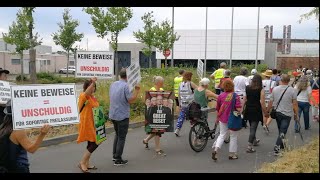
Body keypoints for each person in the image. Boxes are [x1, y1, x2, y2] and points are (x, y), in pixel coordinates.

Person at [0, 100, 51, 173]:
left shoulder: (3, 127)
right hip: (19, 167)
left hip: (7, 167)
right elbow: (32, 149)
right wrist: (42, 134)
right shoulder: (18, 130)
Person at [109, 68, 140, 166]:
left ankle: (115, 156)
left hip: (113, 113)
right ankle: (118, 159)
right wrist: (137, 91)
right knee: (121, 137)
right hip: (122, 115)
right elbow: (131, 100)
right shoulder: (126, 86)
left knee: (117, 135)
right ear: (128, 76)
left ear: (119, 75)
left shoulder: (113, 84)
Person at [266, 74, 299, 156]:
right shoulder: (292, 90)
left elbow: (271, 101)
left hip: (277, 113)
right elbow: (295, 104)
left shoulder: (275, 89)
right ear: (288, 81)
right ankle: (277, 149)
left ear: (281, 80)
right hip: (287, 113)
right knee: (283, 131)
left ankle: (283, 146)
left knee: (281, 130)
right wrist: (296, 114)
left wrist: (267, 111)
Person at [211, 80, 241, 161]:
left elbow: (218, 108)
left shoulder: (221, 96)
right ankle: (232, 154)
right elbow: (238, 108)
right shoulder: (235, 96)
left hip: (222, 118)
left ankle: (216, 150)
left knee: (222, 135)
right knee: (233, 136)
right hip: (233, 119)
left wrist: (217, 117)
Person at [77, 77, 101, 173]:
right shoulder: (83, 96)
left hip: (94, 123)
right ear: (86, 87)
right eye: (91, 86)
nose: (93, 88)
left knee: (91, 143)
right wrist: (93, 82)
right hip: (87, 123)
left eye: (94, 87)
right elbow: (87, 93)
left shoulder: (93, 98)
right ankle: (82, 162)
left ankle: (86, 163)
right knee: (95, 142)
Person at [243, 75, 268, 153]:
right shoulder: (261, 90)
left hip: (248, 108)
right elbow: (262, 102)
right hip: (256, 109)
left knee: (251, 126)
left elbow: (245, 99)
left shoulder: (247, 88)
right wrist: (265, 112)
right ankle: (249, 146)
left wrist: (242, 109)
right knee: (253, 128)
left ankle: (254, 141)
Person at [143, 76, 166, 156]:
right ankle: (157, 149)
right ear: (159, 82)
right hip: (153, 113)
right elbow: (146, 101)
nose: (163, 83)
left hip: (160, 112)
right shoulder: (152, 90)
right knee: (157, 131)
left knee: (156, 130)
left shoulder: (162, 90)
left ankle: (146, 140)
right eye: (162, 82)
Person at [174, 71, 198, 137]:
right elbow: (198, 89)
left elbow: (179, 95)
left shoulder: (181, 84)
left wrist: (179, 104)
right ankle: (194, 132)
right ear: (190, 77)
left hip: (183, 103)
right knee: (193, 117)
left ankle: (177, 129)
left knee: (181, 116)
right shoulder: (191, 83)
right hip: (191, 103)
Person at [261, 69, 276, 134]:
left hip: (263, 99)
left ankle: (265, 124)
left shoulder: (262, 82)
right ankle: (266, 124)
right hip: (270, 99)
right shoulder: (273, 82)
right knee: (271, 114)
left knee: (264, 113)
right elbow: (273, 90)